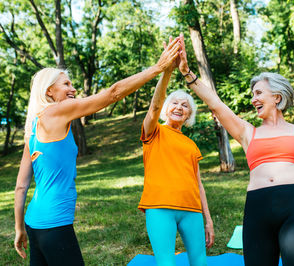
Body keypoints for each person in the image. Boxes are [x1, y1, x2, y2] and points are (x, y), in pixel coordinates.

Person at [14, 38, 181, 265]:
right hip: (54, 224)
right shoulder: (57, 112)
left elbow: (21, 186)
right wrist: (157, 68)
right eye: (66, 84)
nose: (72, 89)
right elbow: (112, 94)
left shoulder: (31, 129)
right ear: (49, 91)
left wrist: (19, 228)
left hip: (33, 224)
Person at [175, 34, 294, 266]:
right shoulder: (247, 132)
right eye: (253, 95)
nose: (253, 99)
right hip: (258, 209)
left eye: (259, 93)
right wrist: (187, 73)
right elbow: (216, 104)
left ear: (277, 97)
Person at [138, 38, 214, 266]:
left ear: (189, 114)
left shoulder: (191, 145)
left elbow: (198, 183)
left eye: (185, 105)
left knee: (200, 262)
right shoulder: (154, 132)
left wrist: (208, 220)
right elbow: (153, 108)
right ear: (166, 108)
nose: (179, 107)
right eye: (175, 103)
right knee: (166, 263)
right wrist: (167, 71)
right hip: (159, 207)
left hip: (191, 210)